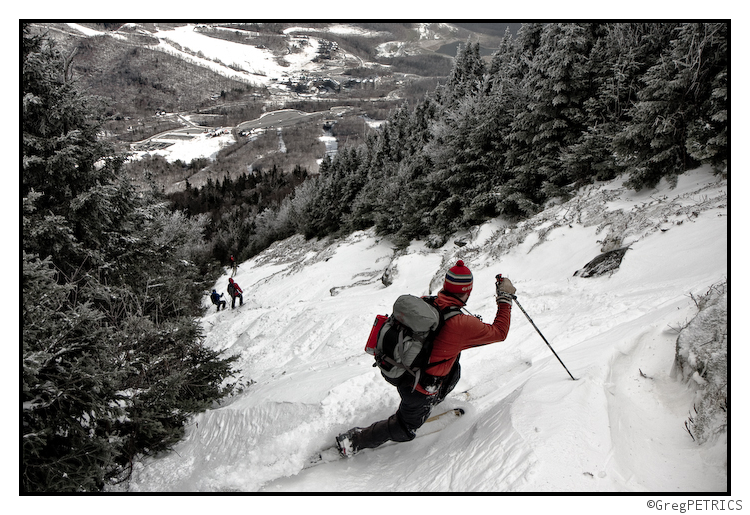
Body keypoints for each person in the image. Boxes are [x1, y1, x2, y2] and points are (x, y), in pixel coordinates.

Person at [336, 260, 516, 457]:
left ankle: (432, 400)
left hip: (403, 367)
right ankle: (353, 441)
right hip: (418, 387)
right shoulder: (462, 323)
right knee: (405, 429)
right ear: (468, 291)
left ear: (446, 285)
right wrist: (505, 298)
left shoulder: (427, 303)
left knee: (453, 366)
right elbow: (499, 332)